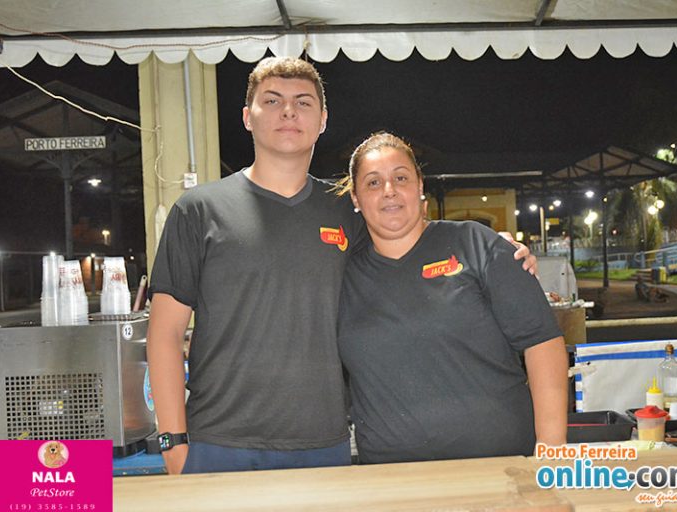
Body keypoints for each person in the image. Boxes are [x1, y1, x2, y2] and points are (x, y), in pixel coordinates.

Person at [147, 57, 538, 475]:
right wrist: (173, 442)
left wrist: (497, 248)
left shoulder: (348, 214)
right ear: (247, 117)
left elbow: (413, 242)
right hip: (219, 442)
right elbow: (164, 334)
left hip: (322, 446)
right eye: (272, 100)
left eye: (303, 102)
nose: (288, 112)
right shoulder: (198, 210)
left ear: (322, 120)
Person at [337, 132, 568, 464]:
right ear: (356, 198)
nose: (389, 190)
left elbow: (542, 343)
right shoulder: (340, 275)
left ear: (420, 186)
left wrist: (552, 450)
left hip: (501, 467)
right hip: (390, 477)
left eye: (401, 178)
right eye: (373, 182)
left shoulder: (477, 244)